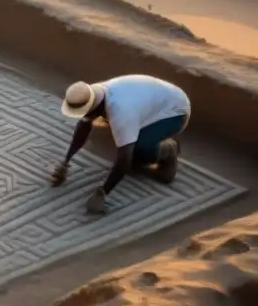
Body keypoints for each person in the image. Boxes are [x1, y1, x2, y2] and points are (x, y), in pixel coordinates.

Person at [52, 75, 191, 214]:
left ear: (93, 106)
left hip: (175, 110)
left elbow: (124, 159)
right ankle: (145, 141)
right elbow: (83, 128)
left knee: (139, 151)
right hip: (150, 101)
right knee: (126, 147)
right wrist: (66, 162)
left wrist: (103, 193)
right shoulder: (93, 94)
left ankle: (168, 150)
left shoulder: (121, 112)